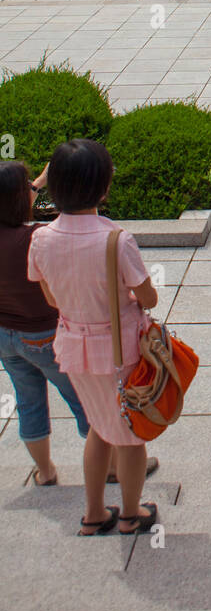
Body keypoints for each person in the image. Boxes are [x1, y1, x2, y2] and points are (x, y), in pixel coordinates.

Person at [27, 140, 160, 536]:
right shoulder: (116, 239)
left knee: (99, 426)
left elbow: (51, 296)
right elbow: (148, 296)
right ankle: (131, 514)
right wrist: (130, 297)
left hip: (72, 347)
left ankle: (93, 513)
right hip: (120, 351)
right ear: (103, 189)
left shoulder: (41, 239)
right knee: (131, 435)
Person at [0, 161, 89, 484]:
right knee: (85, 399)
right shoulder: (35, 238)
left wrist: (38, 182)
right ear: (17, 199)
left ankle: (46, 471)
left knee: (29, 403)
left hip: (5, 338)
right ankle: (109, 465)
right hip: (44, 334)